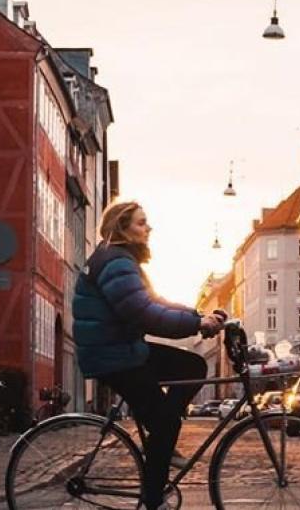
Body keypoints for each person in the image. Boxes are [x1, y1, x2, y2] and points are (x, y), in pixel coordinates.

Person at [73, 201, 225, 510]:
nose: (148, 228)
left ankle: (160, 437)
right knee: (167, 423)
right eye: (142, 223)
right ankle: (153, 498)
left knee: (193, 365)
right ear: (122, 228)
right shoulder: (116, 263)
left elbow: (155, 301)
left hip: (122, 348)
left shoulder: (121, 261)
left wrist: (199, 315)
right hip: (113, 355)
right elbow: (145, 313)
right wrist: (197, 325)